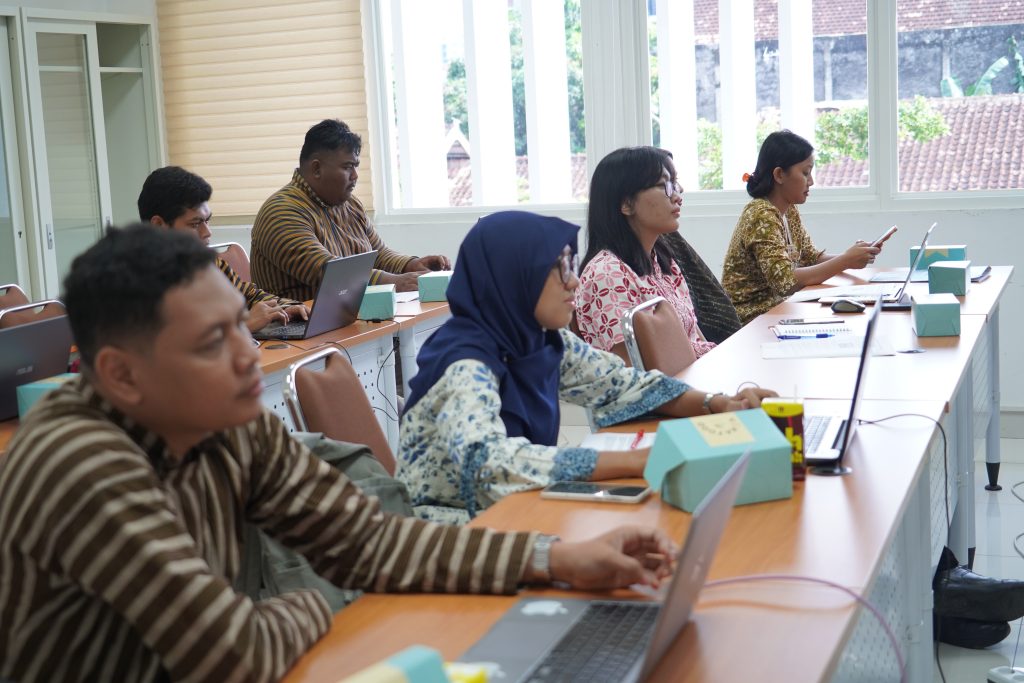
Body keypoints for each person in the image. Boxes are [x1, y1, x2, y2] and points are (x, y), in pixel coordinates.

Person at [0, 225, 679, 682]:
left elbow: (374, 545)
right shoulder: (81, 461)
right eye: (213, 342)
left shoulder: (227, 422)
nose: (248, 357)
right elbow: (237, 651)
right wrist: (323, 597)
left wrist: (558, 560)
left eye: (243, 326)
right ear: (119, 373)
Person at [396, 211, 775, 525]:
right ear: (515, 278)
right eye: (559, 268)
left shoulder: (539, 340)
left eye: (570, 264)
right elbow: (489, 465)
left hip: (517, 511)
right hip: (453, 531)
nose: (574, 281)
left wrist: (717, 404)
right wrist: (635, 460)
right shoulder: (465, 362)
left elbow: (621, 384)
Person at [250, 119, 451, 300]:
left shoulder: (350, 205)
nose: (355, 175)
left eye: (356, 166)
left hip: (343, 324)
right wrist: (394, 282)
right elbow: (328, 273)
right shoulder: (282, 212)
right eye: (347, 167)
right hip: (295, 330)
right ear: (316, 169)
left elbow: (378, 254)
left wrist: (410, 265)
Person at [721, 130, 888, 323]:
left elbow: (810, 257)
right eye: (805, 173)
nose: (811, 181)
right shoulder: (761, 214)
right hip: (751, 318)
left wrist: (853, 257)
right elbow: (785, 281)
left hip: (780, 309)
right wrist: (844, 260)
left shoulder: (788, 210)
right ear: (779, 175)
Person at [576, 146, 717, 359]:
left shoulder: (662, 263)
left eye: (675, 185)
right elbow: (634, 372)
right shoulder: (607, 275)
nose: (677, 196)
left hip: (698, 377)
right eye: (664, 186)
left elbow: (695, 338)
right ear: (626, 203)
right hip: (671, 389)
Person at [138, 165, 309, 332]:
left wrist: (287, 307)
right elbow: (172, 347)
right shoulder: (134, 282)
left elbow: (250, 295)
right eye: (195, 224)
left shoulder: (207, 263)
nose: (207, 232)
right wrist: (243, 325)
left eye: (207, 220)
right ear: (159, 226)